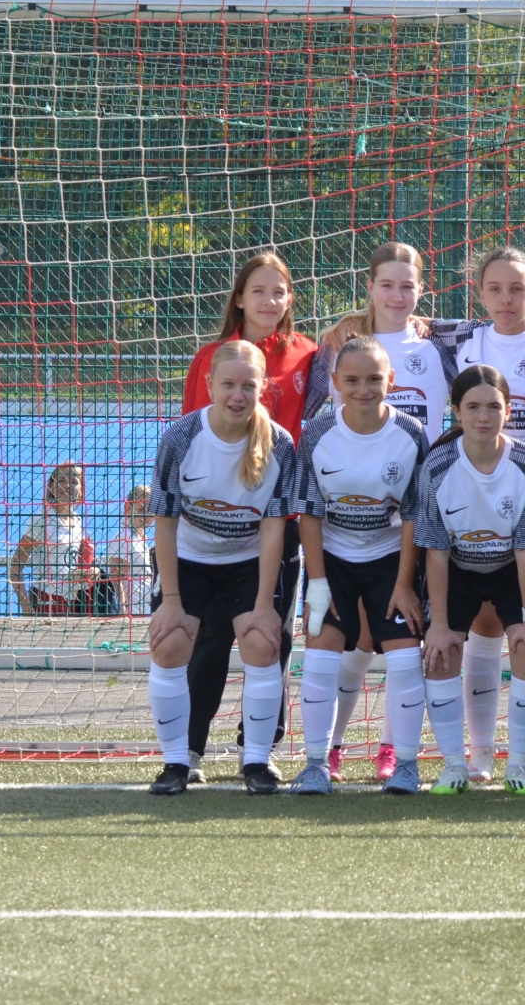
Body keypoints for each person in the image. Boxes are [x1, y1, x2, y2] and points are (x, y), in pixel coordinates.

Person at [304, 242, 455, 783]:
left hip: (404, 535)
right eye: (386, 285)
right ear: (369, 287)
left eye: (407, 285)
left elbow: (499, 328)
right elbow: (307, 496)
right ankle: (322, 756)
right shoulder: (334, 352)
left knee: (395, 646)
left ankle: (395, 754)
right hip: (340, 542)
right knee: (348, 643)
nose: (396, 294)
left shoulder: (443, 343)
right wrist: (315, 581)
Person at [429, 246, 525, 784]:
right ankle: (480, 752)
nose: (507, 298)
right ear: (480, 293)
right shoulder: (459, 340)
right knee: (485, 622)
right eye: (495, 288)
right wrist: (354, 322)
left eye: (517, 288)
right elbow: (403, 323)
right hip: (473, 494)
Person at [178, 251, 318, 781]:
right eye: (258, 290)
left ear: (290, 299)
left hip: (279, 521)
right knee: (210, 635)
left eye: (279, 291)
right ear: (239, 297)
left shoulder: (309, 354)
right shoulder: (211, 357)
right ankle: (189, 749)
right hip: (217, 524)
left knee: (271, 634)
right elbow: (193, 434)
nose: (269, 301)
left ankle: (258, 751)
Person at [144, 340, 299, 796]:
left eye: (248, 386)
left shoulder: (281, 445)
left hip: (248, 561)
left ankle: (257, 761)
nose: (237, 395)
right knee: (169, 643)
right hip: (189, 559)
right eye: (228, 384)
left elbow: (273, 529)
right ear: (209, 384)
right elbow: (165, 523)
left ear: (263, 387)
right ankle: (177, 763)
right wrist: (171, 601)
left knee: (263, 643)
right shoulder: (180, 438)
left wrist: (265, 605)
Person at [292, 336, 431, 796]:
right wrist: (317, 584)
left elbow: (413, 515)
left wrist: (405, 584)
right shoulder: (318, 432)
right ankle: (316, 764)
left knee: (406, 658)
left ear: (391, 380)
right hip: (332, 560)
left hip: (390, 559)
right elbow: (309, 512)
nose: (363, 389)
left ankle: (406, 764)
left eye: (374, 379)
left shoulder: (411, 433)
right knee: (320, 655)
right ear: (335, 382)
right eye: (351, 380)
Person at [416, 365, 525, 795]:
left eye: (493, 407)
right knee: (439, 653)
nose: (483, 416)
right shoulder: (437, 465)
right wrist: (439, 625)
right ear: (456, 411)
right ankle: (455, 767)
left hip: (512, 570)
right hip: (457, 570)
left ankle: (519, 767)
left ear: (508, 411)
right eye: (473, 407)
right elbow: (436, 553)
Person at [10, 462, 94, 615]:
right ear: (51, 486)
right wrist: (27, 608)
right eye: (61, 480)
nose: (67, 485)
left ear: (81, 490)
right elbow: (15, 566)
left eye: (74, 481)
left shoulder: (78, 521)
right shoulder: (41, 520)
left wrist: (90, 571)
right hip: (46, 599)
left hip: (73, 601)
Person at [104, 484, 155, 616]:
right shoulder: (124, 538)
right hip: (129, 612)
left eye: (150, 510)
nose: (146, 515)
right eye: (141, 509)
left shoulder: (139, 539)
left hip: (140, 609)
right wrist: (123, 612)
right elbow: (116, 580)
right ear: (128, 508)